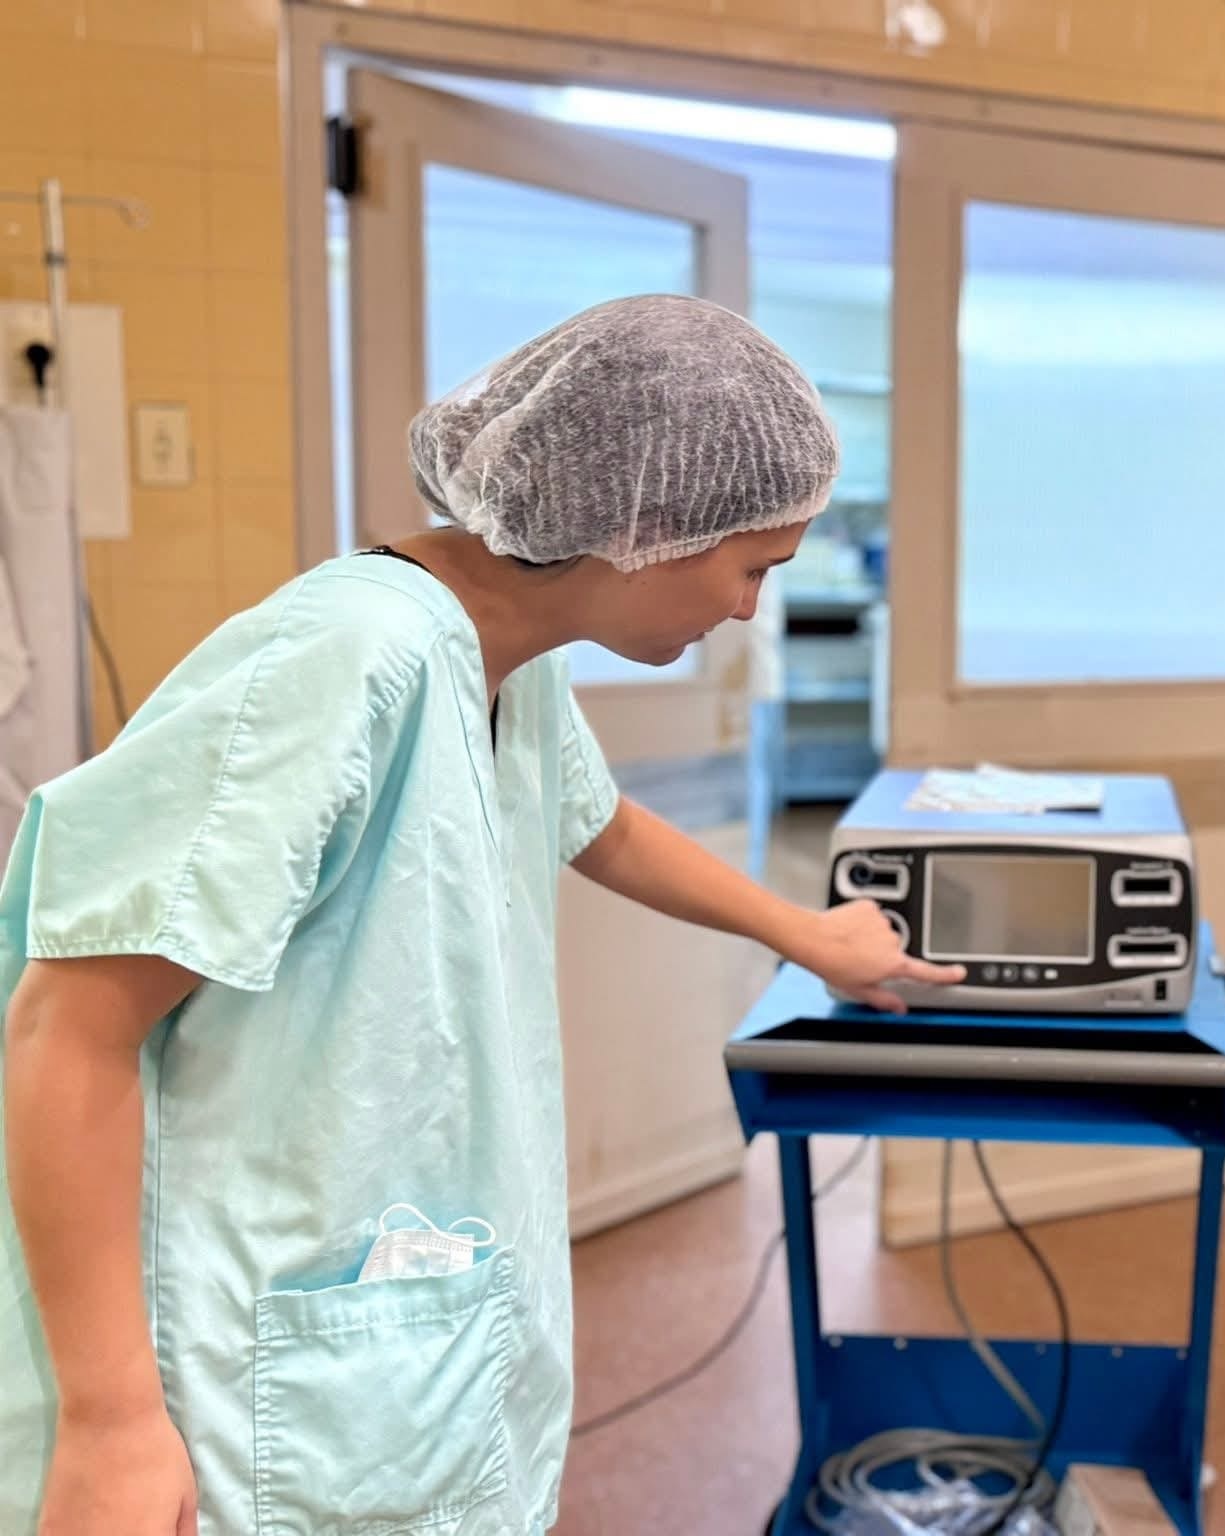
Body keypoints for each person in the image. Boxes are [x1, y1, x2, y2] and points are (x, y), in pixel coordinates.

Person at [0, 295, 963, 1535]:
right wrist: (111, 1419)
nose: (746, 612)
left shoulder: (504, 654)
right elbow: (67, 1026)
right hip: (232, 1372)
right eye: (752, 569)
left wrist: (806, 932)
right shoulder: (347, 658)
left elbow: (598, 824)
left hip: (393, 1324)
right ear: (644, 525)